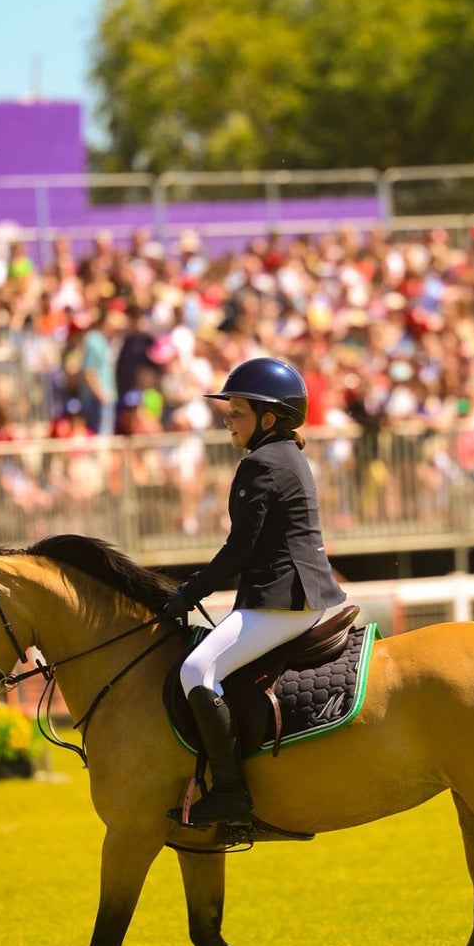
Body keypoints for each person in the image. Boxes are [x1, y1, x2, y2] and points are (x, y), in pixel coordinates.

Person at [162, 356, 346, 832]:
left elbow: (238, 551)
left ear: (268, 419)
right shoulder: (285, 456)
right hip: (294, 595)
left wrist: (189, 592)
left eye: (236, 412)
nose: (227, 420)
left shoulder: (262, 463)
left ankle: (230, 793)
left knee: (197, 670)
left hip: (285, 600)